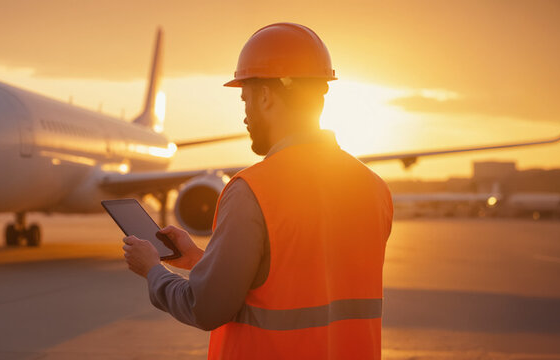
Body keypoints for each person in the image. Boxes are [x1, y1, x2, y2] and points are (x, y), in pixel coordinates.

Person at [122, 23, 393, 359]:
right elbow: (301, 281)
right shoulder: (372, 187)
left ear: (265, 96)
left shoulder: (253, 190)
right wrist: (200, 260)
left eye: (245, 97)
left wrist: (152, 270)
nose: (245, 113)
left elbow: (204, 307)